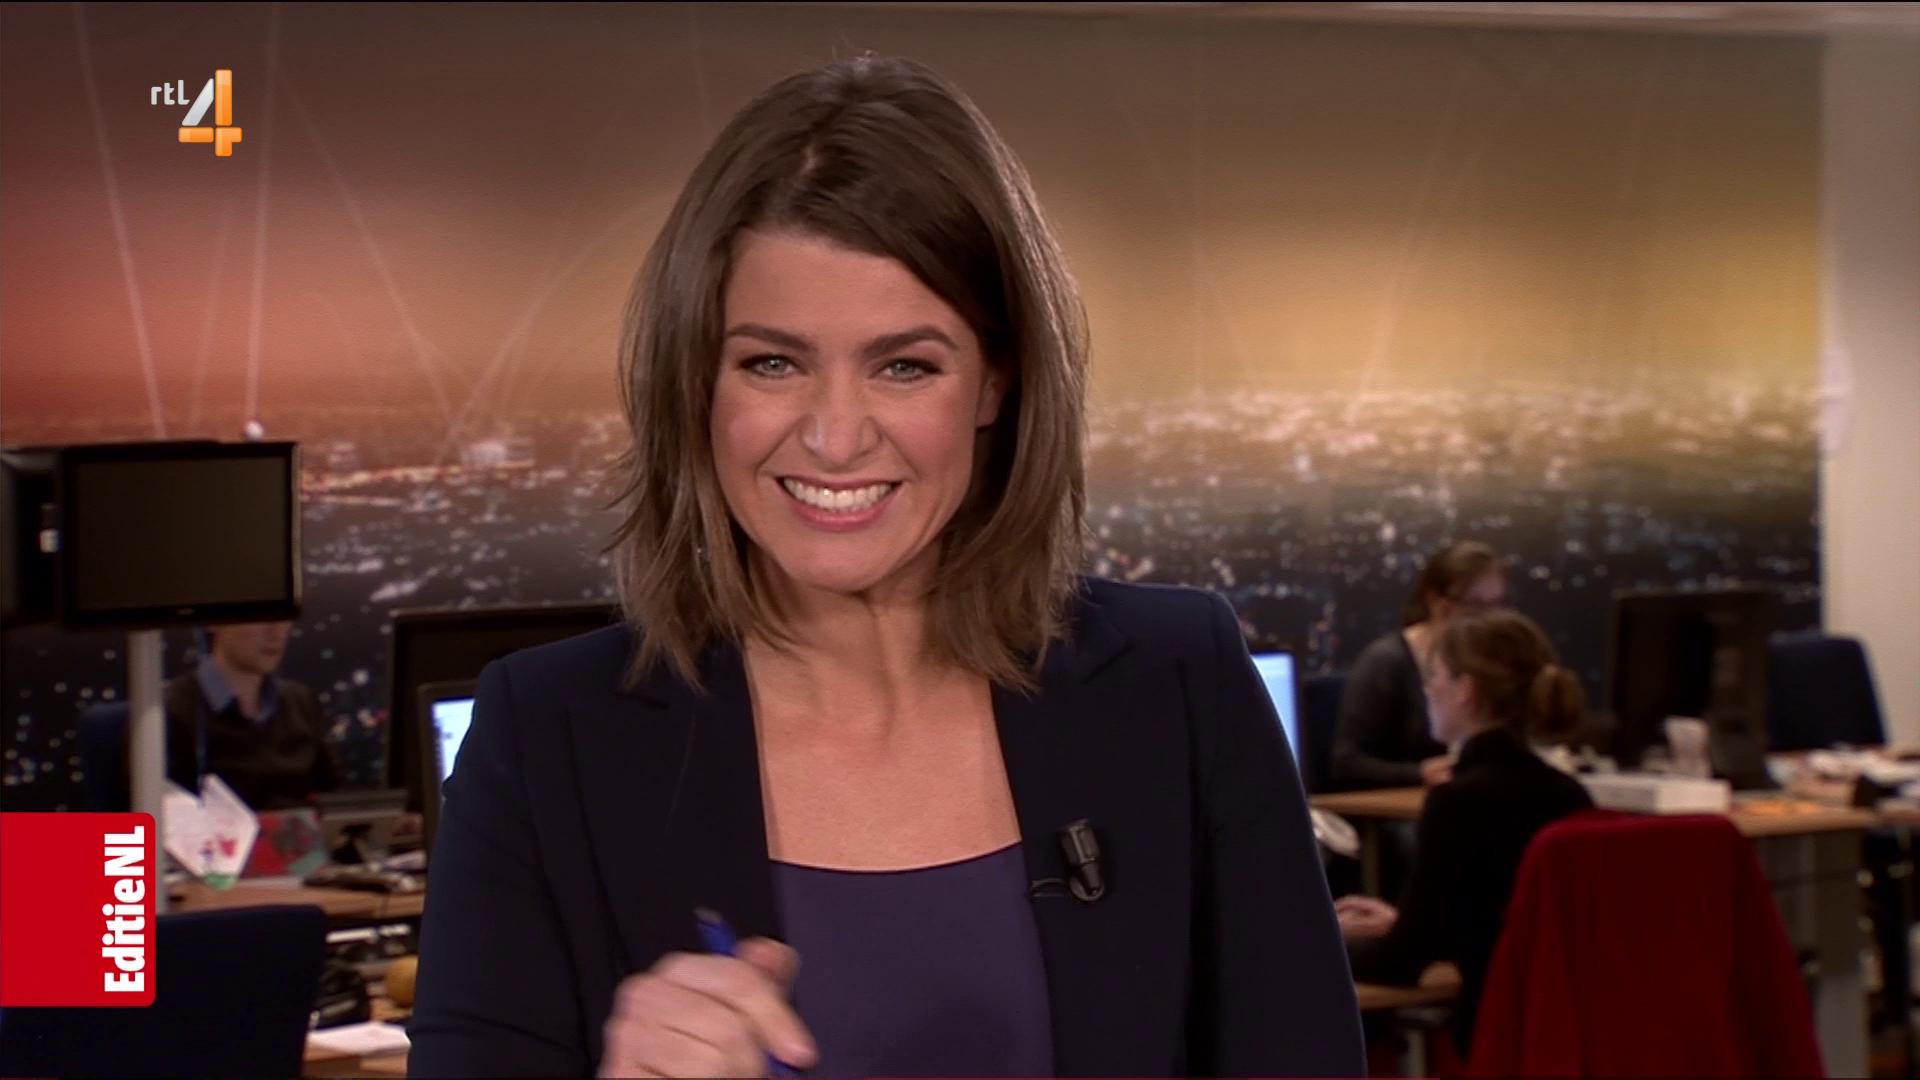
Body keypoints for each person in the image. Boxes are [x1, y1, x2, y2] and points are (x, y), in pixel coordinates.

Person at [407, 55, 1363, 1079]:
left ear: (994, 383)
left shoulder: (1178, 682)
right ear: (698, 381)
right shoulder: (547, 738)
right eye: (772, 363)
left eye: (905, 365)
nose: (834, 437)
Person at [1333, 606, 1593, 1056]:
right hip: (1556, 1029)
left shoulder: (1457, 802)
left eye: (1434, 676)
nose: (1427, 689)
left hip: (1491, 1032)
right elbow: (1505, 926)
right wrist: (1406, 922)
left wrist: (1317, 945)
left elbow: (1402, 962)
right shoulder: (1570, 795)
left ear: (1466, 691)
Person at [1328, 540, 1507, 791]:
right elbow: (1346, 764)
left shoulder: (1498, 659)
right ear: (1436, 601)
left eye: (1496, 604)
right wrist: (1418, 773)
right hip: (1409, 803)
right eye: (1474, 605)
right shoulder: (1387, 662)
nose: (1488, 618)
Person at [164, 621, 339, 811]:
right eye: (260, 616)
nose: (276, 632)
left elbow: (330, 793)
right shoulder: (169, 712)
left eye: (283, 616)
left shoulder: (301, 703)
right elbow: (141, 823)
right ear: (213, 621)